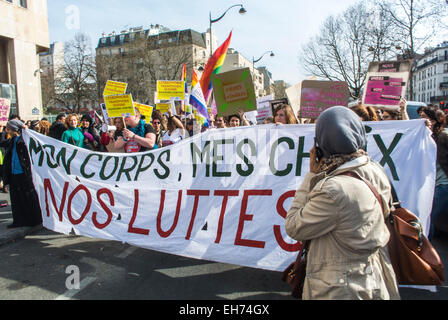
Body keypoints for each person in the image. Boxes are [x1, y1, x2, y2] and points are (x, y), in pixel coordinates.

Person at [285, 106, 400, 300]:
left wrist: (311, 176)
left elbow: (294, 226)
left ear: (321, 144)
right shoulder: (375, 170)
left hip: (340, 288)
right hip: (374, 277)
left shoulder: (332, 189)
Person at [0, 120, 42, 229]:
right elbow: (2, 142)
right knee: (16, 199)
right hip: (13, 173)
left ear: (14, 129)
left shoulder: (23, 140)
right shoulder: (12, 140)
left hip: (24, 173)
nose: (7, 131)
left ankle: (34, 219)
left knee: (28, 197)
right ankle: (18, 221)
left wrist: (26, 129)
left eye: (8, 129)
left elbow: (34, 139)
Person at [426, 109, 448, 239]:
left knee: (429, 217)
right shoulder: (431, 136)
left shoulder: (443, 136)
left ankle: (426, 251)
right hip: (437, 184)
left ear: (435, 121)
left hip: (443, 184)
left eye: (425, 118)